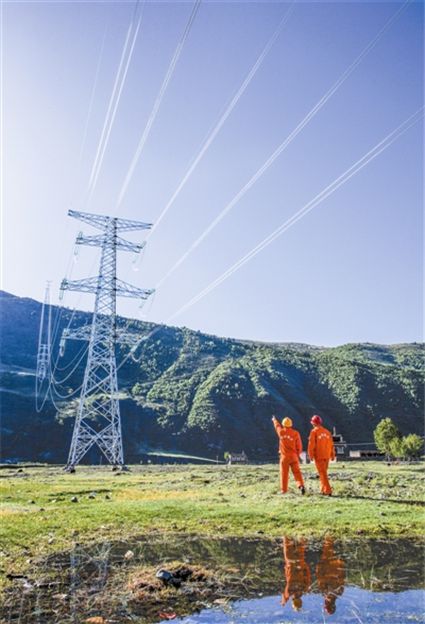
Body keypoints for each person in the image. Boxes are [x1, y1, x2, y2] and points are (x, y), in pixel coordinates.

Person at [272, 416, 305, 494]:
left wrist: (274, 420)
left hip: (284, 457)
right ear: (291, 424)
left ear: (283, 424)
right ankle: (301, 485)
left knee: (284, 473)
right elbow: (299, 446)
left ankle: (284, 490)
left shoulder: (281, 432)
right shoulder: (296, 433)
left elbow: (277, 426)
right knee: (297, 472)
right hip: (294, 456)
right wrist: (297, 455)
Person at [316, 536, 345, 615]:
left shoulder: (324, 591)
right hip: (334, 564)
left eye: (326, 603)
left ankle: (329, 536)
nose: (327, 601)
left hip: (327, 564)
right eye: (328, 603)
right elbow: (342, 577)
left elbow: (319, 577)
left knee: (328, 546)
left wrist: (319, 566)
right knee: (335, 546)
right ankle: (335, 536)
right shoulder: (338, 592)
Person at [308, 415, 335, 496]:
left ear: (313, 423)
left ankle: (328, 491)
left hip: (319, 456)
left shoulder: (314, 432)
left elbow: (311, 444)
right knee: (323, 473)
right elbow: (331, 444)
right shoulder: (327, 432)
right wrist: (332, 454)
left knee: (323, 474)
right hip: (327, 455)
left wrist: (310, 455)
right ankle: (323, 489)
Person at [281, 537, 311, 612]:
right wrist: (285, 600)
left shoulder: (304, 589)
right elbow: (307, 575)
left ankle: (300, 535)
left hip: (296, 563)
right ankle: (297, 535)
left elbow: (307, 574)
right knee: (289, 544)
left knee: (297, 546)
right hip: (292, 563)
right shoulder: (291, 592)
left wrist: (285, 600)